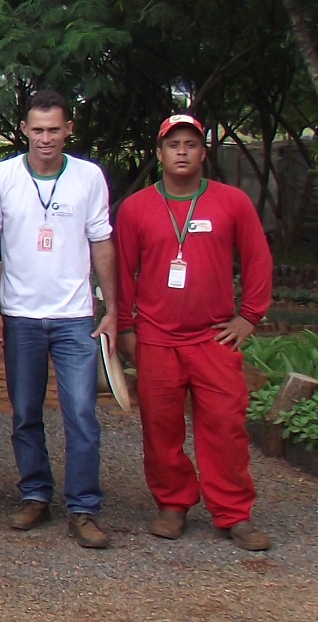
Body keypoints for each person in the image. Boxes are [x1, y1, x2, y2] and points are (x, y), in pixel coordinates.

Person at [115, 114, 275, 551]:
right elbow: (122, 271)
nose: (181, 152)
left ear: (204, 152)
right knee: (160, 427)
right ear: (160, 153)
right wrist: (126, 328)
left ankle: (233, 513)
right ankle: (172, 504)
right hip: (157, 338)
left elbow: (259, 259)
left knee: (225, 427)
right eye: (173, 145)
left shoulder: (232, 202)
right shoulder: (136, 208)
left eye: (190, 144)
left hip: (212, 338)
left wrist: (249, 316)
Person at [0, 89, 120, 549]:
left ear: (69, 129)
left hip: (75, 315)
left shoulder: (88, 177)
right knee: (24, 412)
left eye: (54, 129)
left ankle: (83, 507)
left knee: (81, 413)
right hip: (20, 313)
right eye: (37, 130)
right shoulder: (0, 176)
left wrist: (112, 307)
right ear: (24, 130)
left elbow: (101, 242)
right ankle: (35, 494)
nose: (45, 138)